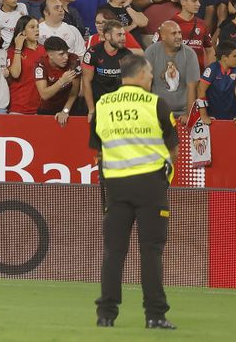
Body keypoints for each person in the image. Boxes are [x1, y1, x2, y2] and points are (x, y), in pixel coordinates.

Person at [90, 54, 178, 330]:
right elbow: (172, 145)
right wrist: (165, 177)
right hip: (150, 186)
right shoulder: (156, 104)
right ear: (140, 75)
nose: (152, 77)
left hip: (115, 186)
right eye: (150, 73)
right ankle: (155, 315)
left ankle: (106, 315)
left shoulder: (103, 104)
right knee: (151, 251)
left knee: (113, 251)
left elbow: (98, 149)